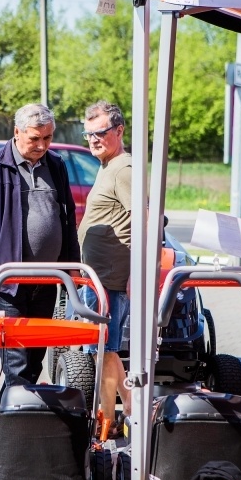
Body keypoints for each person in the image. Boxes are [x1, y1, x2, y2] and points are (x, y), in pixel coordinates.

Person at [0, 103, 80, 388]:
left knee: (34, 359)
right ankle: (13, 424)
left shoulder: (56, 165)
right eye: (34, 138)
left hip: (47, 280)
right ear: (17, 132)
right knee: (16, 362)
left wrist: (72, 267)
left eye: (48, 138)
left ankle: (19, 418)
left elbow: (67, 219)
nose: (42, 145)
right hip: (10, 285)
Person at [78, 100, 132, 436]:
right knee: (102, 351)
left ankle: (115, 418)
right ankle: (120, 412)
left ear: (119, 131)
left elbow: (146, 221)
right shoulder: (106, 166)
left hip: (111, 280)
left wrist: (141, 275)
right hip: (98, 278)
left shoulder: (123, 168)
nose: (94, 139)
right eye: (89, 134)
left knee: (104, 350)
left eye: (101, 133)